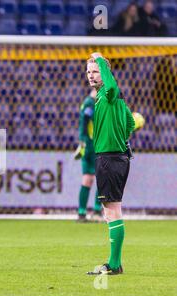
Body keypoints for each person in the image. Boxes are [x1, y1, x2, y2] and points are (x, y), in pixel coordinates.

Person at [85, 53, 136, 276]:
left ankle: (114, 265)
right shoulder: (116, 100)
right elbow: (131, 123)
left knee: (112, 212)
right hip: (119, 157)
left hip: (109, 159)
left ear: (105, 74)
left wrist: (99, 58)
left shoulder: (109, 93)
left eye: (95, 71)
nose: (91, 75)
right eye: (88, 72)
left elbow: (112, 85)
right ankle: (114, 263)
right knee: (111, 210)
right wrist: (120, 138)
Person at [73, 88, 102, 222]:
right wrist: (83, 140)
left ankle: (82, 213)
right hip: (93, 145)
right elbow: (86, 122)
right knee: (100, 179)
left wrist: (81, 140)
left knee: (88, 179)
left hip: (90, 144)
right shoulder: (91, 103)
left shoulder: (89, 103)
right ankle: (96, 211)